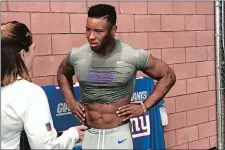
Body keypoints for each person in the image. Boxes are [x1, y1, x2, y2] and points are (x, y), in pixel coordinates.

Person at [57, 4, 176, 149]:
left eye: (98, 31)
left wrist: (144, 106)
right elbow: (62, 73)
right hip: (89, 135)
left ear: (113, 30)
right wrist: (70, 100)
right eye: (88, 30)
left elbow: (168, 75)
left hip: (119, 136)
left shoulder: (131, 55)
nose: (91, 36)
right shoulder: (77, 55)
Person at [1, 21, 86, 149]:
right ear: (23, 54)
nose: (34, 54)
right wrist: (73, 135)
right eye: (33, 48)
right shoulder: (29, 93)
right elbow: (45, 147)